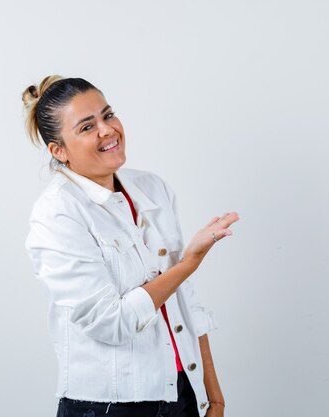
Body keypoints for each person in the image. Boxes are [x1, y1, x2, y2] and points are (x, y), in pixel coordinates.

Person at [23, 75, 239, 417]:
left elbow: (186, 302)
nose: (107, 130)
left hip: (182, 392)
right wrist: (189, 262)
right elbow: (110, 322)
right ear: (58, 151)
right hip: (109, 406)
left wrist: (214, 397)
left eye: (108, 115)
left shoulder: (152, 188)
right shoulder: (57, 212)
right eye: (86, 127)